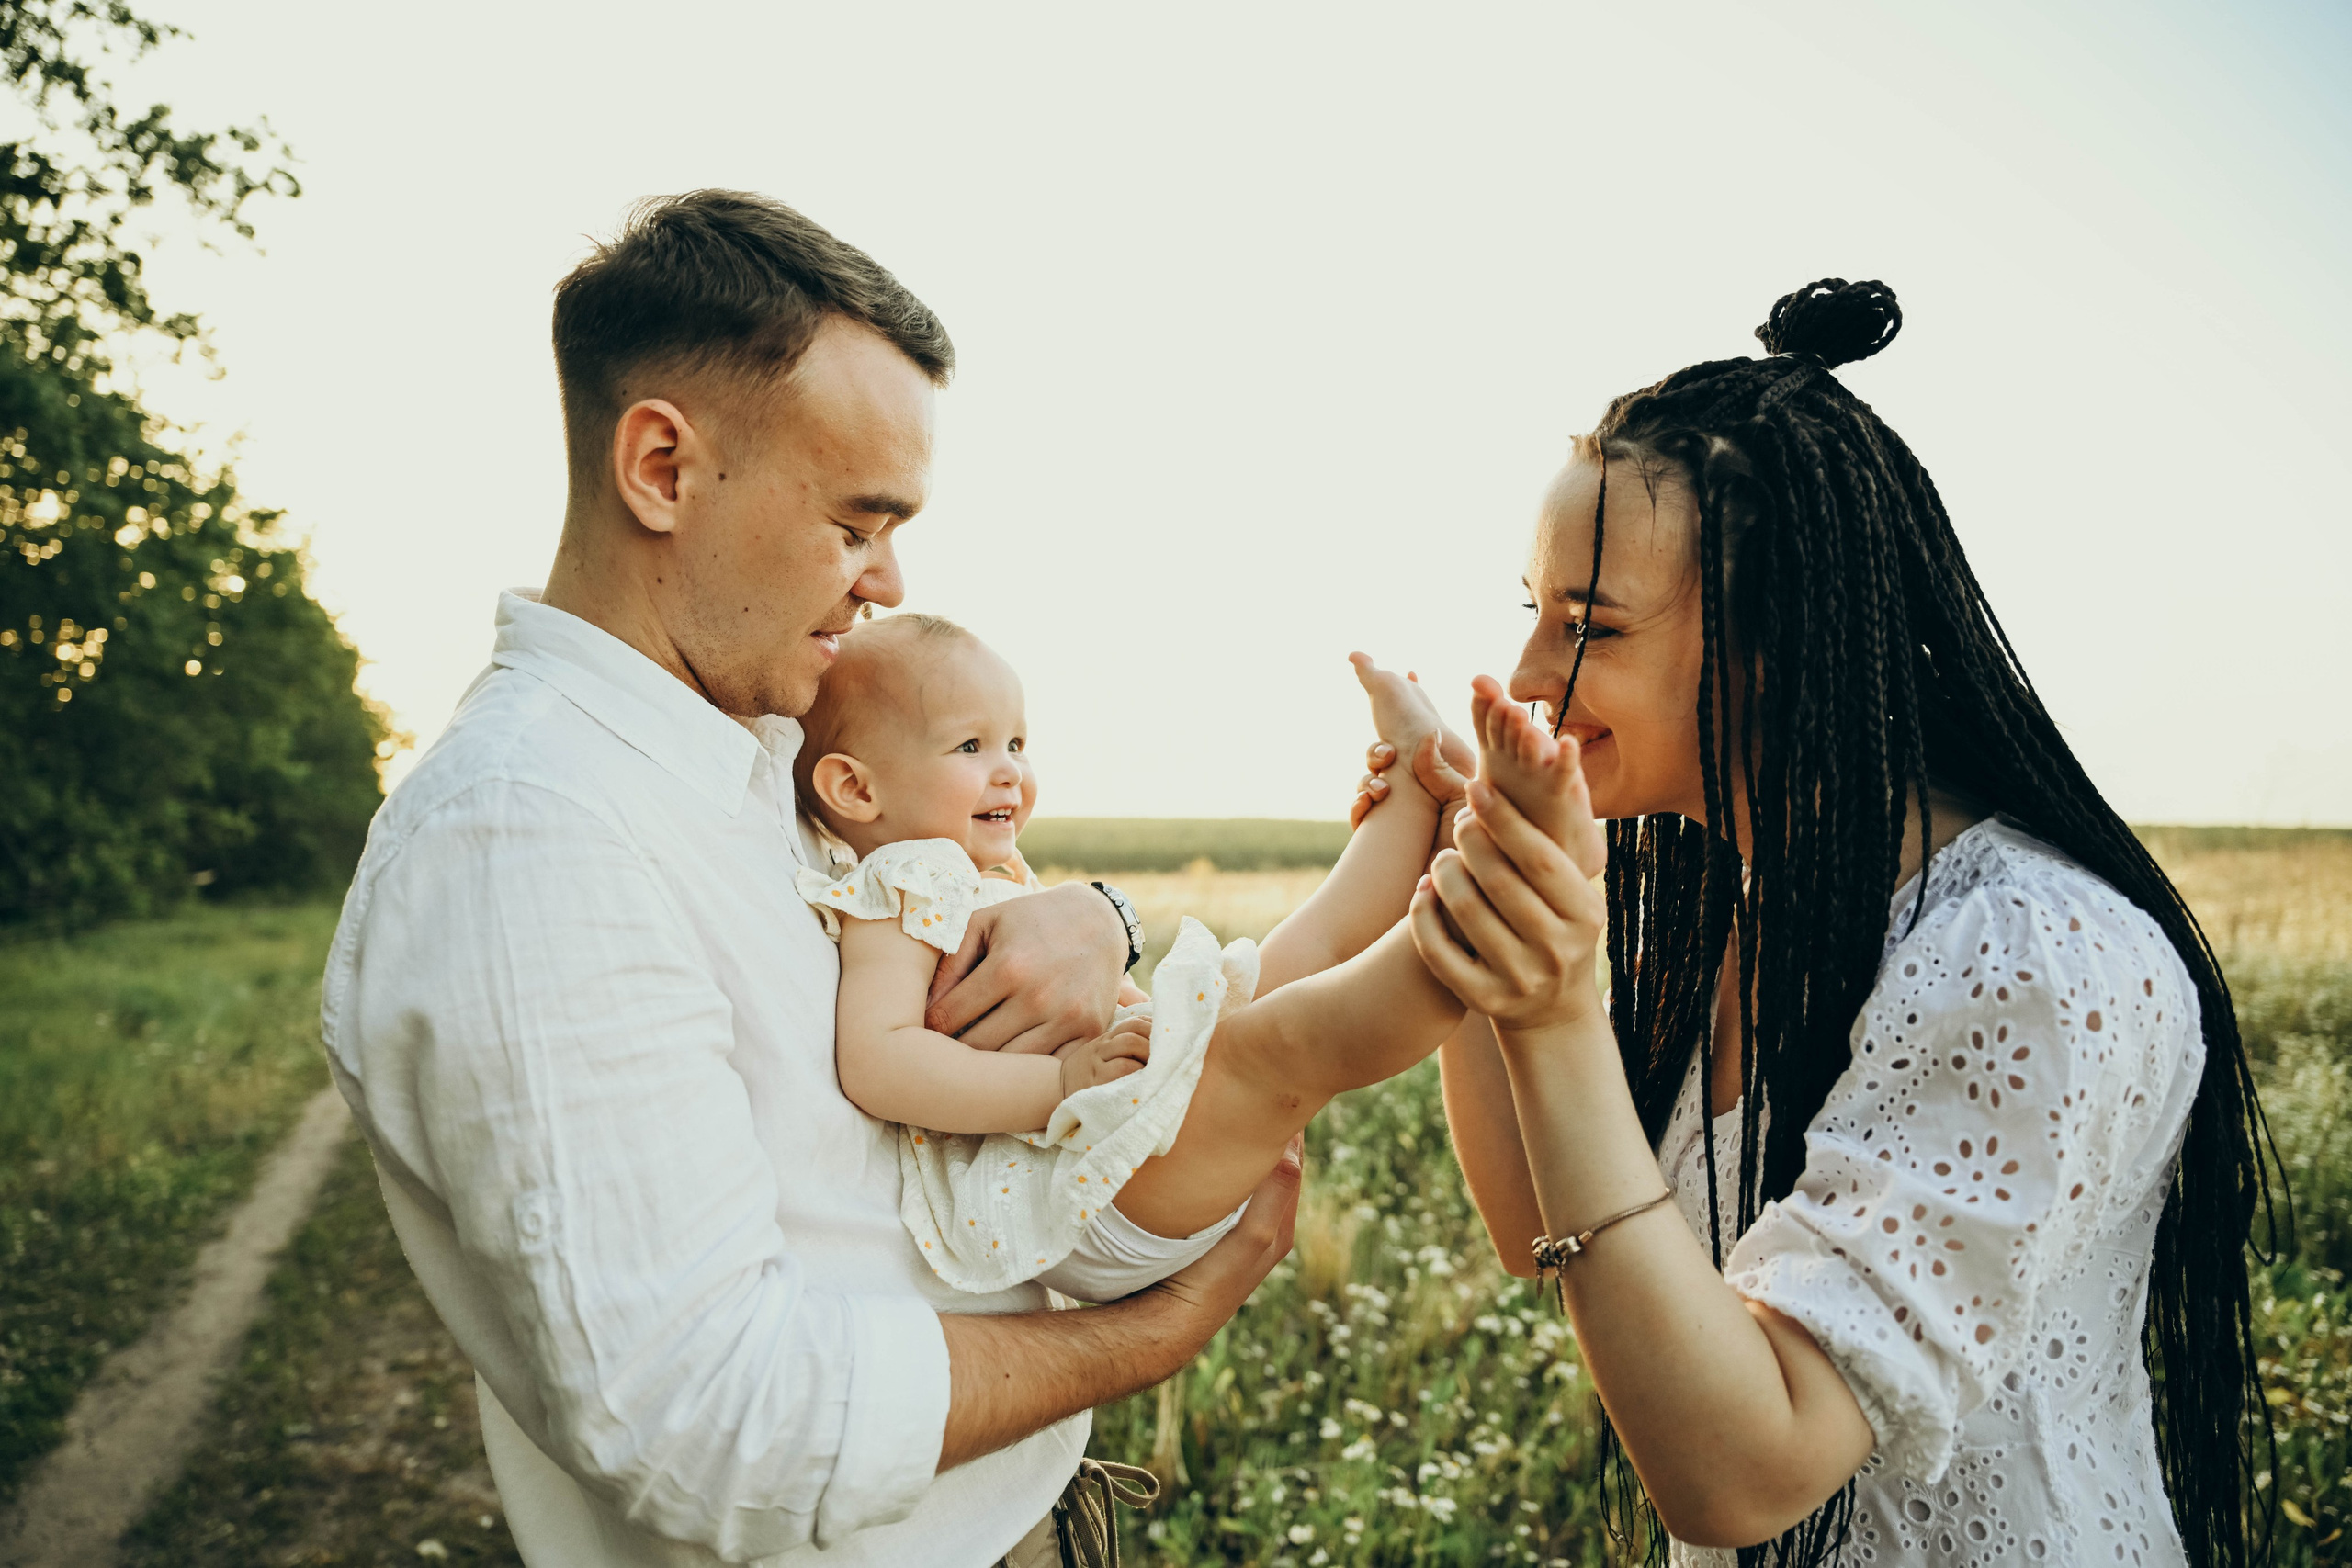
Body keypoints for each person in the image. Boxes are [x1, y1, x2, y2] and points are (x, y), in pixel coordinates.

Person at [321, 191, 1308, 1568]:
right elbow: (719, 1426)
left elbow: (942, 900)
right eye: (857, 521)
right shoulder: (528, 841)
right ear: (661, 468)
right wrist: (1151, 1333)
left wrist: (1100, 913)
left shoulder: (758, 757)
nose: (887, 580)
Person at [1360, 279, 2270, 1566]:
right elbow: (1538, 1228)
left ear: (1776, 642)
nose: (1525, 679)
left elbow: (1743, 1474)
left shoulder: (2032, 960)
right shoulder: (1736, 904)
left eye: (1591, 627)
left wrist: (1561, 1006)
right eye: (1535, 612)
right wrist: (1480, 929)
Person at [790, 614, 1477, 1292]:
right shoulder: (894, 888)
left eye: (1018, 743)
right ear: (856, 787)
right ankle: (1476, 923)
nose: (1009, 772)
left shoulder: (988, 878)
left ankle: (1419, 797)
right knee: (1287, 1043)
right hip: (1076, 1192)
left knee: (1283, 965)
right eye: (970, 746)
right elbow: (879, 1061)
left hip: (1129, 1144)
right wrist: (1059, 1087)